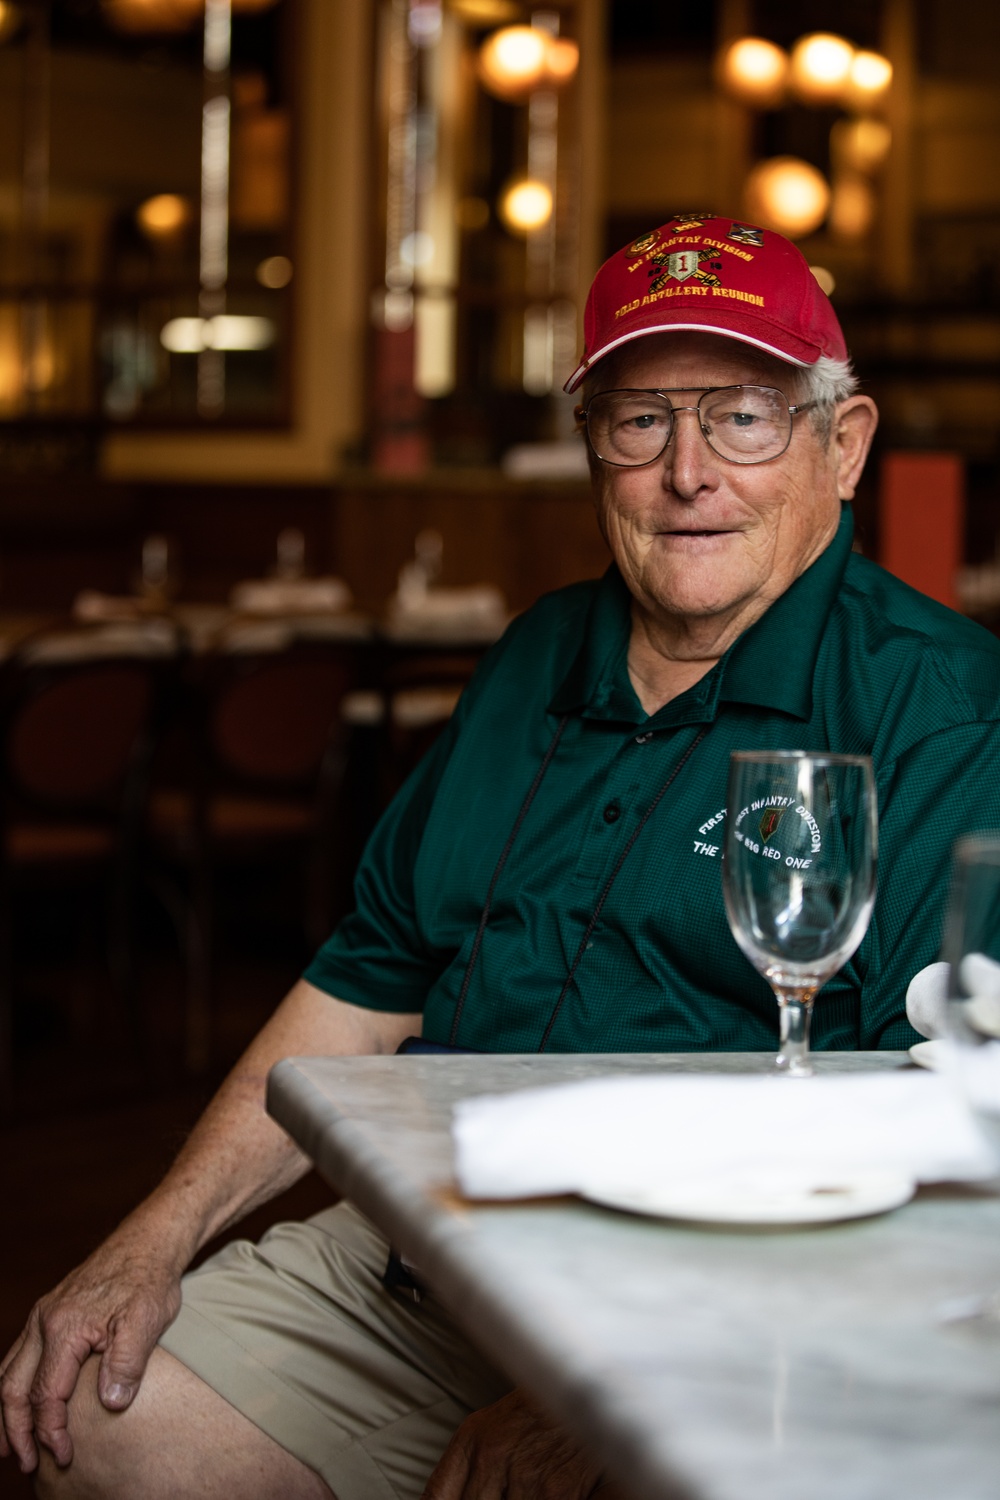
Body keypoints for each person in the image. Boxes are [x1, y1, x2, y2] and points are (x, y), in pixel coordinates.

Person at [5, 212, 1000, 1500]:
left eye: (743, 416)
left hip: (728, 1312)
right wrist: (150, 1237)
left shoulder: (940, 712)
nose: (687, 470)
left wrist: (619, 1392)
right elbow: (364, 988)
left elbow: (935, 1139)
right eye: (640, 420)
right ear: (591, 447)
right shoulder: (537, 654)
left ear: (843, 443)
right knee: (93, 1418)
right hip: (427, 1257)